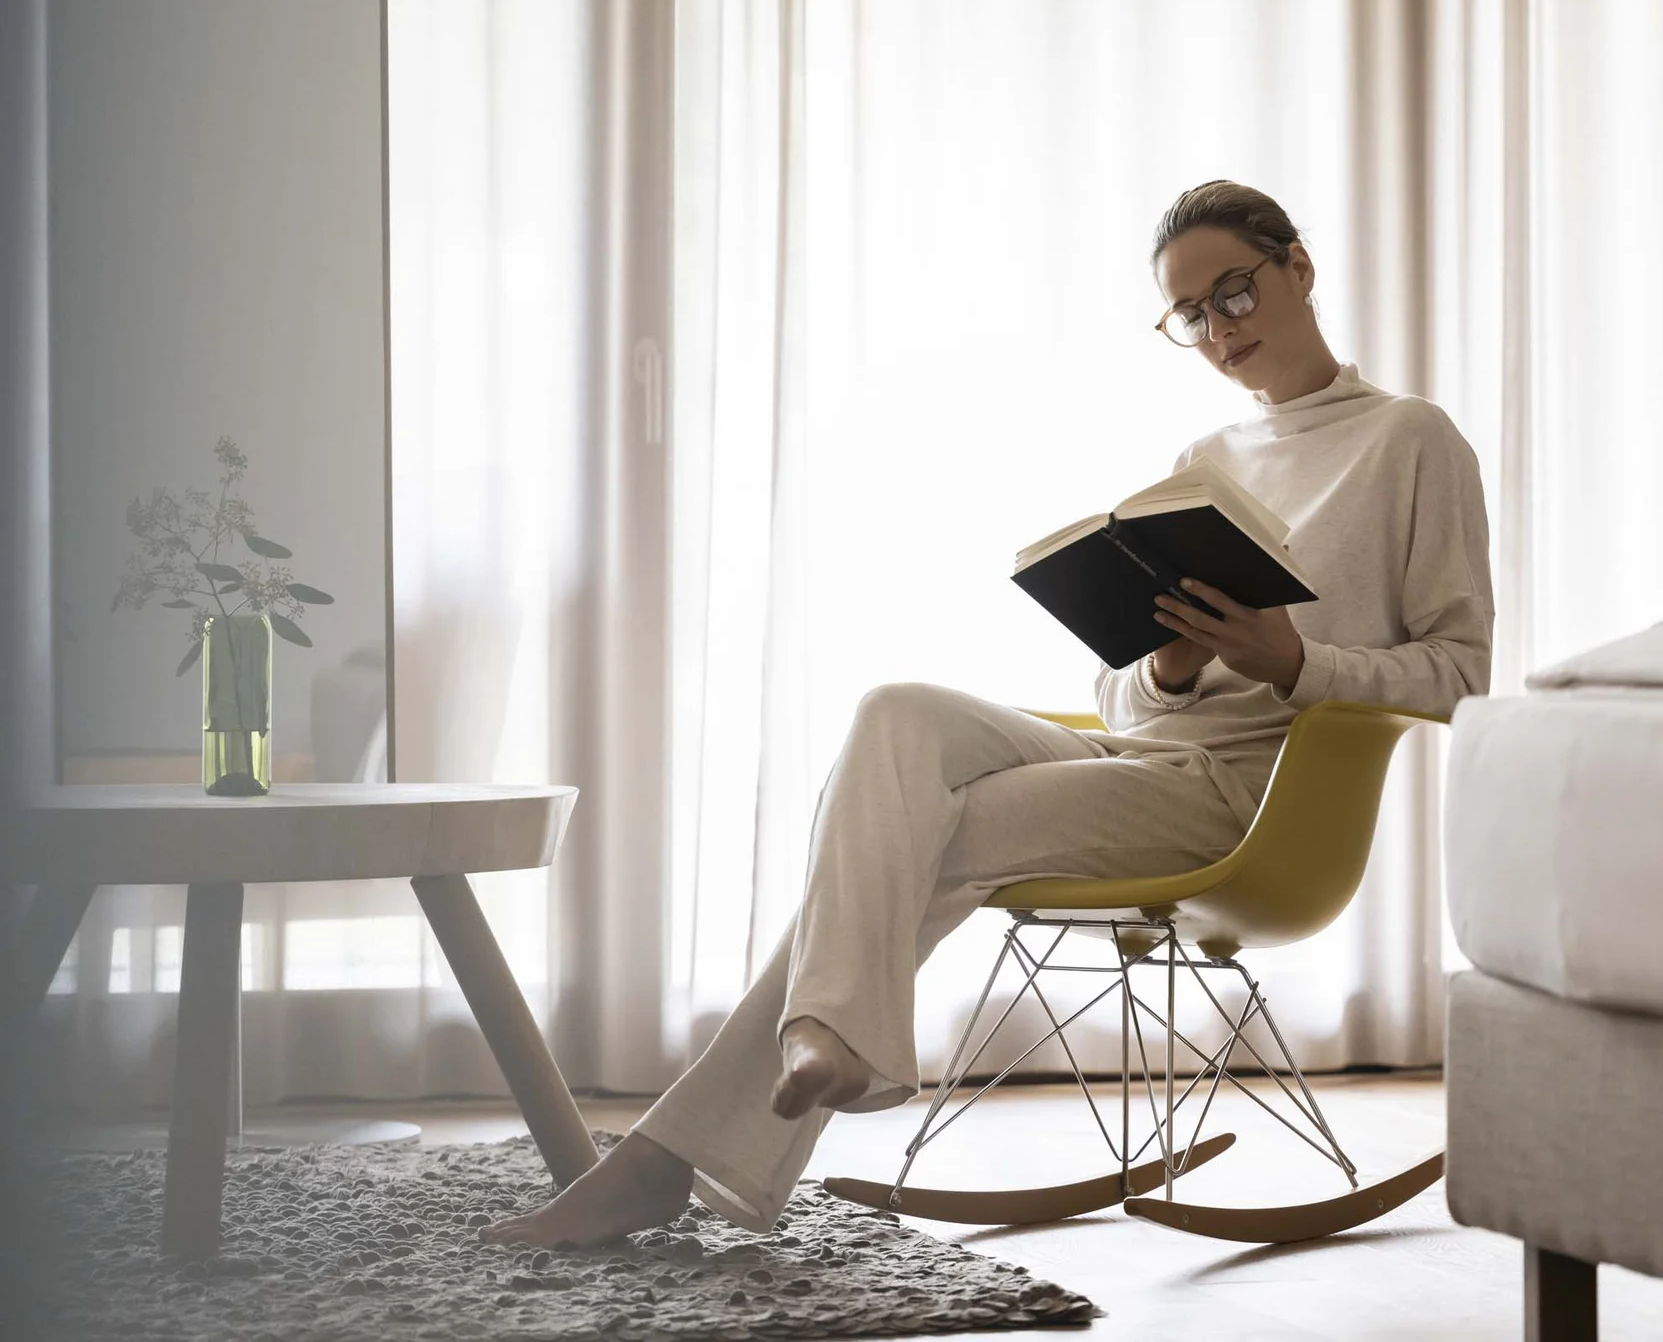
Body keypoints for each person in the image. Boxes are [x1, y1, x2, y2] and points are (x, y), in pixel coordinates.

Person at [479, 179, 1494, 1247]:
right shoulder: (1212, 462)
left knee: (933, 830)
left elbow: (1461, 676)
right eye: (1188, 317)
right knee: (897, 713)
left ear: (1298, 267)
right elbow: (1127, 692)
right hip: (1140, 754)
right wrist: (1174, 671)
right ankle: (825, 1027)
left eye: (1232, 294)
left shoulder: (1412, 444)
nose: (1217, 331)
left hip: (1246, 798)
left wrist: (1294, 660)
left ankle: (670, 1155)